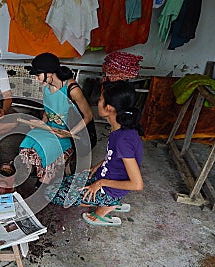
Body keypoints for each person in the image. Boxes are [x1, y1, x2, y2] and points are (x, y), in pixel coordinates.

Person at [46, 80, 144, 226]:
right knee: (55, 185)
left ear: (109, 108)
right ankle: (108, 200)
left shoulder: (124, 140)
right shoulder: (121, 128)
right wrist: (100, 165)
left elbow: (137, 184)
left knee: (52, 194)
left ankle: (109, 204)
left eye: (100, 100)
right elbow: (115, 157)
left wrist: (100, 183)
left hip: (109, 188)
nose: (98, 102)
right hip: (103, 177)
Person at [19, 52, 94, 187]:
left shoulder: (72, 89)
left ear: (50, 73)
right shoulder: (46, 87)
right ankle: (41, 171)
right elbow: (47, 112)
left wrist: (70, 134)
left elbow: (88, 116)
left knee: (44, 146)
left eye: (38, 75)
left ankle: (48, 176)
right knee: (29, 141)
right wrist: (40, 124)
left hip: (69, 133)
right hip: (51, 128)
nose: (37, 79)